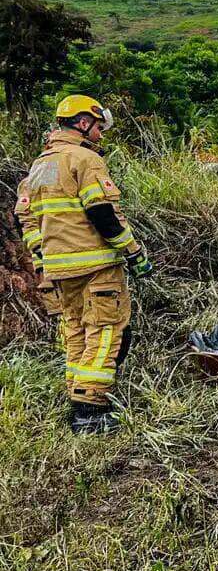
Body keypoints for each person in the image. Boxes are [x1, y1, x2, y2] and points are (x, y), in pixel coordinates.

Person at [14, 94, 153, 434]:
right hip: (96, 267)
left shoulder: (39, 166)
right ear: (82, 122)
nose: (101, 135)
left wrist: (43, 258)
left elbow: (25, 221)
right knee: (106, 331)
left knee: (76, 333)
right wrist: (134, 253)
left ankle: (78, 399)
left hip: (59, 271)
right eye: (97, 127)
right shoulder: (84, 160)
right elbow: (102, 214)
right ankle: (91, 411)